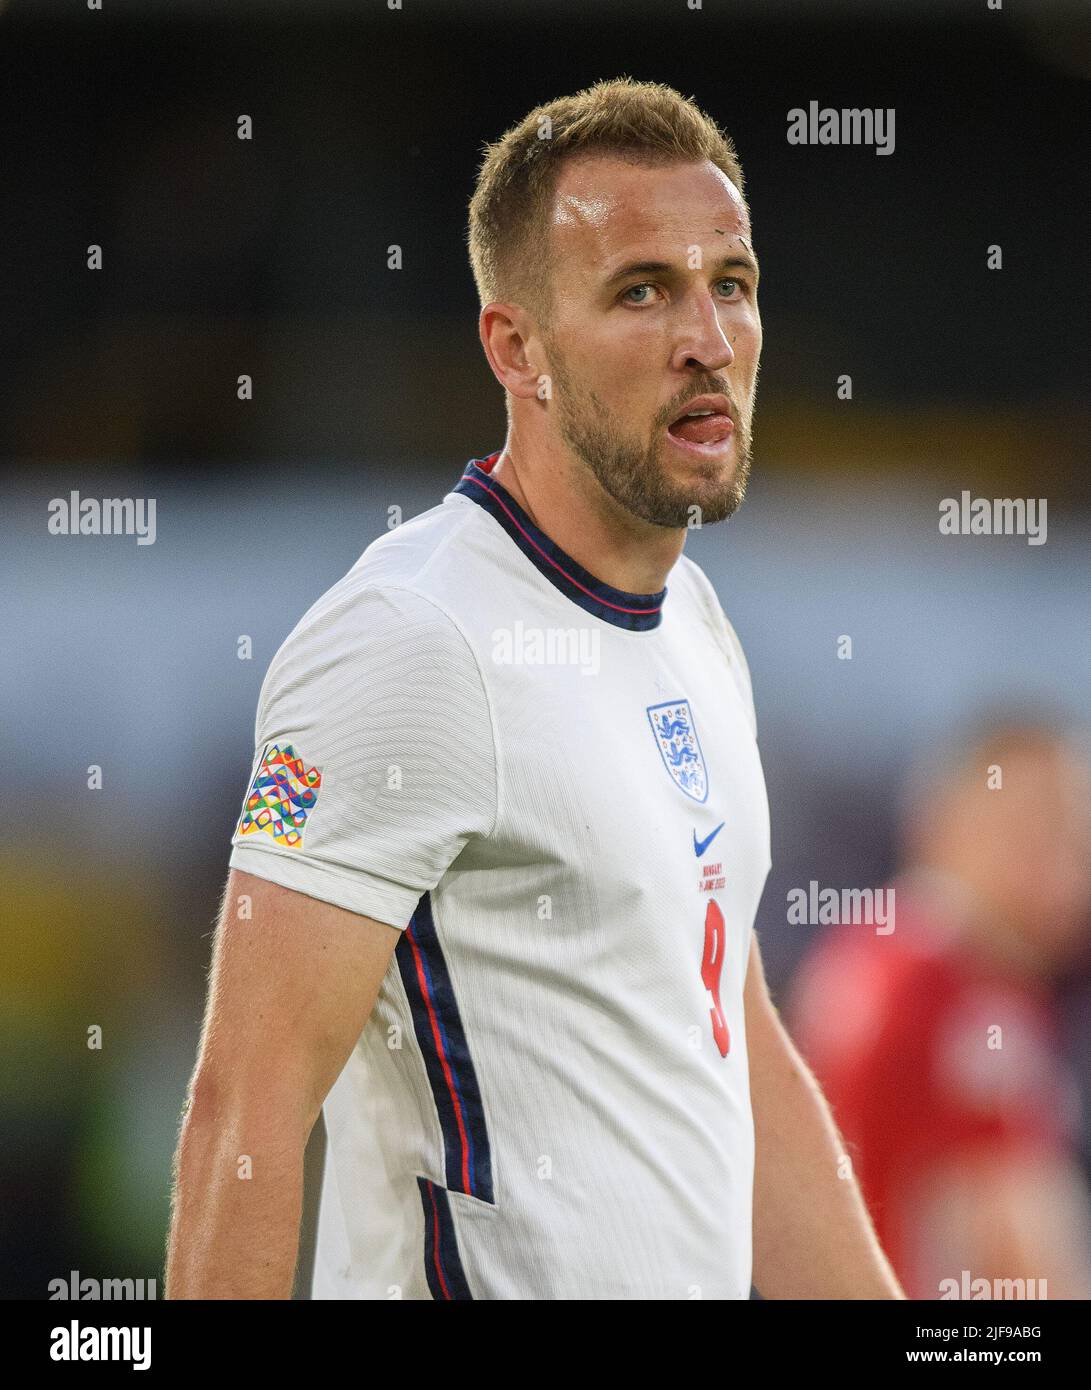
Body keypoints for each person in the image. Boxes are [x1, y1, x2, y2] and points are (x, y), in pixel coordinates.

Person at [167, 77, 902, 1300]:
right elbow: (243, 1114)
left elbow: (731, 1044)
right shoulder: (412, 639)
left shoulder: (696, 627)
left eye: (729, 281)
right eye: (639, 290)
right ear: (517, 349)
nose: (708, 340)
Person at [790, 716, 1091, 1299]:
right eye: (1034, 834)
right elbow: (1020, 1263)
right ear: (946, 825)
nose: (1062, 873)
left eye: (1075, 844)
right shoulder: (970, 995)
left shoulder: (863, 947)